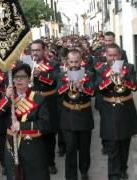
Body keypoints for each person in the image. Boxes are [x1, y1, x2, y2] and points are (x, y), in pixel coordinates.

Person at [0, 63, 50, 180]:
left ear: (29, 79)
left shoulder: (39, 98)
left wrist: (22, 126)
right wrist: (7, 99)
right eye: (15, 77)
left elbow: (45, 125)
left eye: (22, 77)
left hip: (32, 148)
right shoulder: (8, 98)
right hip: (12, 146)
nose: (19, 80)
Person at [95, 44, 137, 180]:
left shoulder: (129, 68)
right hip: (109, 110)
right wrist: (110, 79)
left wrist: (124, 78)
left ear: (120, 56)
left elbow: (135, 87)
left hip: (126, 110)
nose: (113, 58)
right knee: (112, 146)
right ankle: (113, 175)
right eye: (110, 55)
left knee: (124, 144)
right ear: (106, 55)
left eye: (115, 55)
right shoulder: (101, 69)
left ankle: (123, 169)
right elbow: (99, 88)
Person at [57, 49, 94, 180]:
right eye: (71, 61)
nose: (73, 64)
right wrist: (68, 85)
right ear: (67, 61)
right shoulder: (62, 75)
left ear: (81, 61)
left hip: (84, 115)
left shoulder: (88, 74)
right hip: (68, 115)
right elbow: (59, 92)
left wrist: (82, 87)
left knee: (84, 148)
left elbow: (93, 92)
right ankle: (71, 176)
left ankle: (84, 171)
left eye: (76, 61)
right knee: (71, 148)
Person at [29, 39, 61, 174]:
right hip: (32, 101)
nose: (35, 53)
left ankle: (50, 162)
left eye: (37, 50)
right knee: (34, 133)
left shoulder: (53, 64)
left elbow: (54, 79)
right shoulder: (27, 64)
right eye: (33, 50)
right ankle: (37, 162)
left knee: (48, 134)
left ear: (44, 50)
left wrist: (40, 75)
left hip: (48, 101)